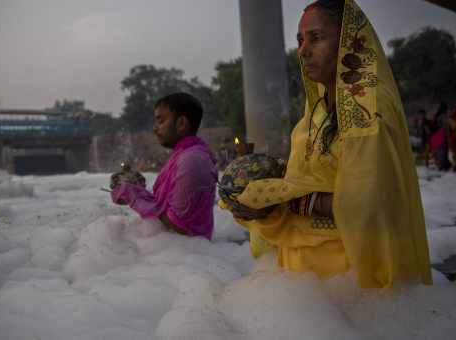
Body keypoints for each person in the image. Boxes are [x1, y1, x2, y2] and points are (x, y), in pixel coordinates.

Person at [223, 0, 432, 288]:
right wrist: (260, 201)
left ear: (350, 42)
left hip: (352, 281)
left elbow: (368, 205)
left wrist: (286, 199)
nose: (304, 50)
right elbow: (303, 178)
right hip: (305, 285)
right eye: (300, 40)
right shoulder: (315, 113)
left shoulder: (368, 110)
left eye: (317, 37)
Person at [110, 92, 218, 239]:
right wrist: (136, 192)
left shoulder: (192, 160)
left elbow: (180, 225)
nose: (155, 128)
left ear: (181, 123)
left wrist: (134, 198)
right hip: (176, 250)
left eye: (160, 121)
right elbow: (165, 207)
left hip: (188, 253)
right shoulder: (184, 154)